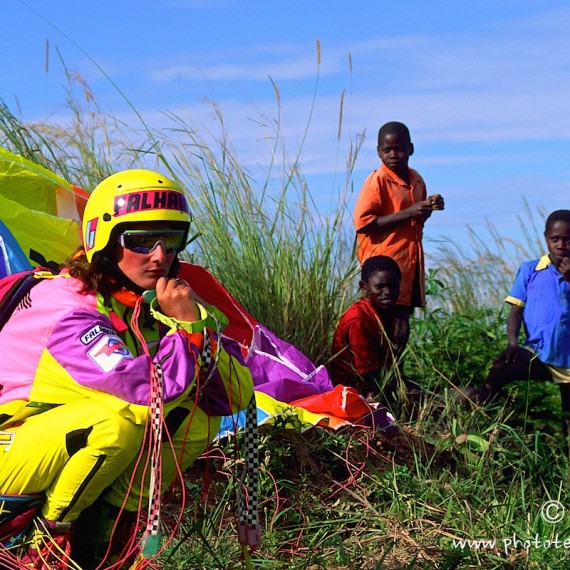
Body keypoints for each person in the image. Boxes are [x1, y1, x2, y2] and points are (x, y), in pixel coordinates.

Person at [0, 169, 254, 568]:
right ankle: (44, 546)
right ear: (102, 239)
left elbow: (235, 396)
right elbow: (143, 395)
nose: (159, 255)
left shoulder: (140, 305)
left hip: (56, 450)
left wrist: (197, 323)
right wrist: (186, 331)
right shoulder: (69, 308)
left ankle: (113, 535)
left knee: (198, 420)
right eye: (139, 240)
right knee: (115, 424)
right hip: (10, 447)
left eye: (170, 240)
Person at [465, 210, 570, 432]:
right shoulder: (530, 270)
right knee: (503, 366)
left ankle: (562, 456)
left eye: (568, 239)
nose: (562, 245)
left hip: (567, 358)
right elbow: (515, 312)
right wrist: (512, 343)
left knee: (567, 417)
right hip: (538, 353)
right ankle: (482, 406)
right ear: (546, 238)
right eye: (555, 239)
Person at [353, 121, 444, 353]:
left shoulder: (417, 180)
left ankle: (395, 374)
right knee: (381, 321)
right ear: (378, 152)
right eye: (387, 150)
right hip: (383, 264)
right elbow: (363, 224)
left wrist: (427, 209)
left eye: (400, 148)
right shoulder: (378, 180)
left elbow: (415, 223)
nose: (394, 154)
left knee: (402, 322)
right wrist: (409, 212)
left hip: (408, 264)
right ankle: (379, 375)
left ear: (410, 149)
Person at [329, 255, 419, 403]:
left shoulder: (383, 313)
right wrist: (405, 390)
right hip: (356, 396)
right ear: (364, 287)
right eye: (380, 286)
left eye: (393, 286)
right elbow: (370, 376)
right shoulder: (358, 319)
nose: (388, 292)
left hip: (379, 387)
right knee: (464, 396)